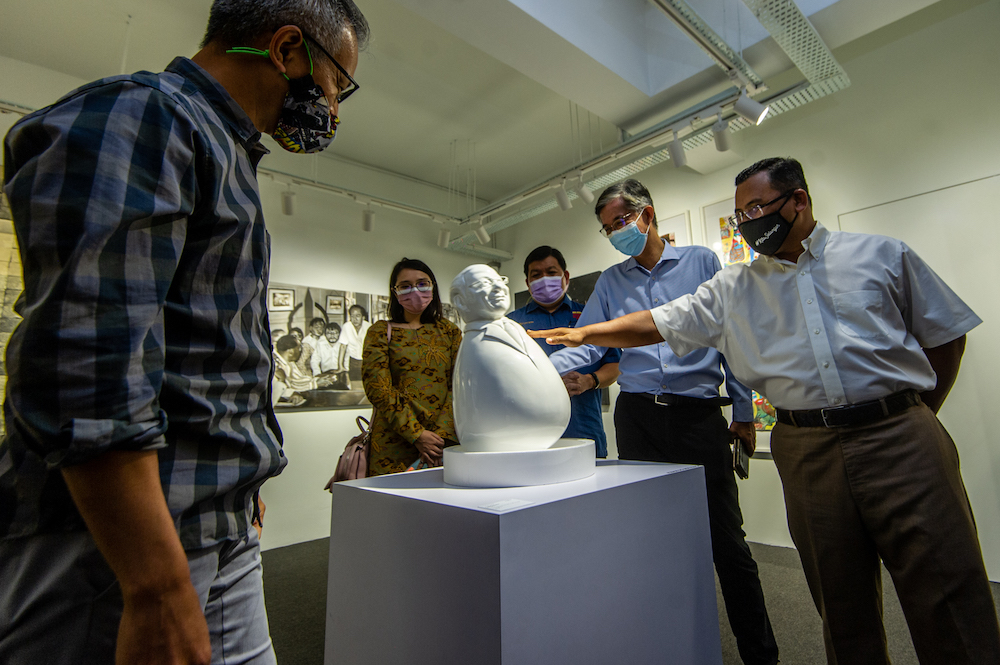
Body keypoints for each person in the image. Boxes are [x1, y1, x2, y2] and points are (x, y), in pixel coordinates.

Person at [0, 1, 370, 664]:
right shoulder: (146, 115)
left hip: (209, 529)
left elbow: (199, 354)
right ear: (288, 49)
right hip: (117, 548)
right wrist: (156, 583)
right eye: (339, 86)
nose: (336, 113)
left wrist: (236, 486)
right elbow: (89, 358)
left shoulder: (221, 151)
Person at [532, 158, 1000, 665]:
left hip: (889, 435)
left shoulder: (880, 255)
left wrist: (914, 415)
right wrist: (574, 339)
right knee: (839, 600)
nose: (749, 221)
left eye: (756, 207)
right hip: (795, 444)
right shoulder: (738, 285)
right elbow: (660, 322)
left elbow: (946, 338)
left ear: (798, 200)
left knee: (947, 591)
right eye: (740, 215)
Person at [546, 179, 779, 665]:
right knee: (649, 540)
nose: (615, 233)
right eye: (608, 228)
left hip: (698, 416)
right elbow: (591, 345)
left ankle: (761, 655)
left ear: (646, 216)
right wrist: (535, 368)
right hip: (638, 418)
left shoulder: (701, 262)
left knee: (727, 544)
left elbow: (729, 337)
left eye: (621, 222)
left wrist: (742, 410)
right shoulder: (611, 282)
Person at [506, 246, 620, 457]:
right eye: (536, 275)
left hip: (585, 427)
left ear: (565, 276)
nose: (544, 279)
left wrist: (590, 380)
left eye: (551, 272)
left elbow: (615, 365)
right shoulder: (512, 323)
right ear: (528, 283)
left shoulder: (590, 316)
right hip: (533, 431)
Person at [362, 259, 461, 475]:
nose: (415, 290)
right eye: (405, 286)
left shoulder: (449, 331)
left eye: (422, 283)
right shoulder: (379, 332)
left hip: (442, 444)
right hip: (392, 444)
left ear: (433, 286)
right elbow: (379, 389)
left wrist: (439, 438)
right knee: (392, 506)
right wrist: (416, 434)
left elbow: (460, 385)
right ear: (395, 292)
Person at [340, 304, 372, 382]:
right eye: (352, 316)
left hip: (366, 361)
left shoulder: (369, 327)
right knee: (354, 384)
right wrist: (340, 366)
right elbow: (342, 346)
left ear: (363, 317)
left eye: (358, 315)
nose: (355, 319)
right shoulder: (346, 327)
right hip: (352, 361)